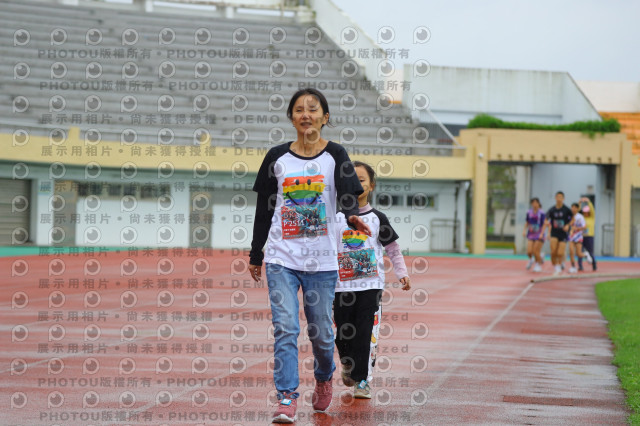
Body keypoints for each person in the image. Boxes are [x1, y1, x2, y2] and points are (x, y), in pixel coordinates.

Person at [248, 88, 371, 424]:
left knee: (322, 334)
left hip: (322, 262)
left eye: (313, 109)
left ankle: (323, 375)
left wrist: (351, 217)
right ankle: (286, 397)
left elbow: (347, 197)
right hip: (281, 258)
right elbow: (264, 209)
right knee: (286, 328)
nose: (306, 114)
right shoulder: (276, 157)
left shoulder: (336, 154)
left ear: (325, 117)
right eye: (299, 109)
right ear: (291, 117)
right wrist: (257, 252)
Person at [333, 161, 411, 400]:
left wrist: (402, 273)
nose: (357, 185)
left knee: (365, 332)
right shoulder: (336, 218)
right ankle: (347, 362)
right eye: (352, 181)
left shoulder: (378, 218)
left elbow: (393, 249)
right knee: (343, 333)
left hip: (371, 286)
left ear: (372, 185)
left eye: (362, 180)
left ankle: (362, 380)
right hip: (340, 287)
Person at [543, 191, 573, 276]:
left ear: (563, 199)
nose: (559, 199)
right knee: (553, 251)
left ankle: (558, 266)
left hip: (563, 233)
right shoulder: (552, 209)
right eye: (558, 197)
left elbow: (573, 219)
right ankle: (556, 265)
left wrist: (568, 225)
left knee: (560, 253)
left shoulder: (566, 209)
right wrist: (546, 222)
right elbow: (546, 218)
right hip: (554, 233)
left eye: (561, 197)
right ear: (555, 198)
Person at [522, 197, 545, 272]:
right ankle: (533, 259)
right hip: (531, 234)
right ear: (531, 204)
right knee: (529, 251)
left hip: (539, 234)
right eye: (533, 203)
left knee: (535, 251)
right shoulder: (529, 212)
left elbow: (544, 224)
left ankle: (538, 264)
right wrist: (524, 230)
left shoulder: (542, 213)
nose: (535, 204)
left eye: (536, 203)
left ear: (538, 204)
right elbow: (527, 222)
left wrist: (542, 233)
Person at [568, 202, 586, 273]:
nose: (573, 209)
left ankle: (586, 255)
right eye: (572, 207)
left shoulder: (580, 217)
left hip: (578, 236)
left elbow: (584, 226)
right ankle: (573, 266)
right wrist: (570, 229)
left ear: (578, 209)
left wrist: (577, 228)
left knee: (578, 253)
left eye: (575, 208)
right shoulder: (569, 216)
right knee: (571, 252)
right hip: (571, 236)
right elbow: (568, 225)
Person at [580, 197, 597, 271]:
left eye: (587, 211)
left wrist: (588, 202)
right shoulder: (581, 218)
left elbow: (592, 210)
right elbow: (577, 212)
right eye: (584, 212)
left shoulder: (592, 218)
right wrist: (580, 202)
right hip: (581, 236)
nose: (586, 213)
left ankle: (594, 264)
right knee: (580, 251)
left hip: (589, 236)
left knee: (590, 252)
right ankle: (580, 266)